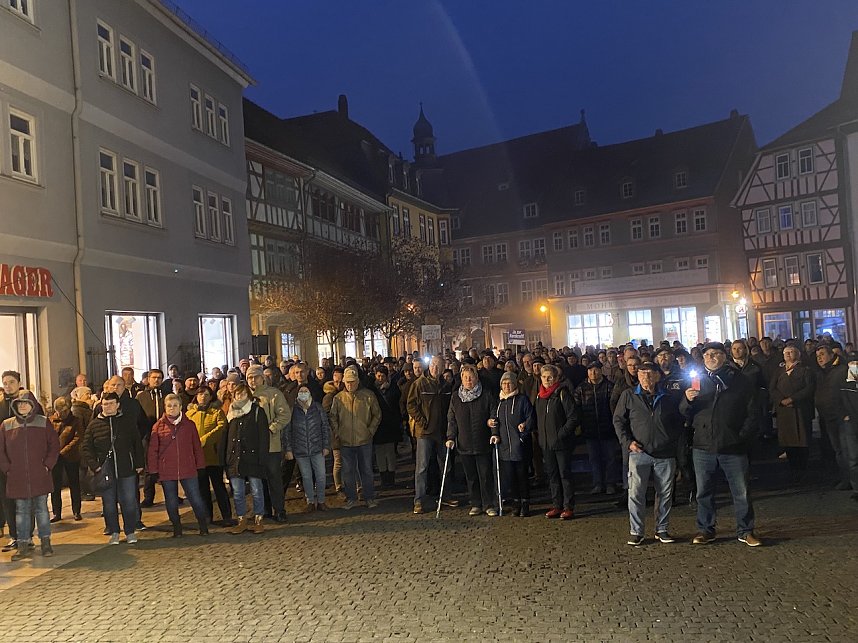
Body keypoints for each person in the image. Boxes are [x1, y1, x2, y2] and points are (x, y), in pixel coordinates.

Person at [680, 342, 762, 547]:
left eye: (716, 353)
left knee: (741, 491)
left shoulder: (740, 380)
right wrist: (687, 400)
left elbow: (753, 411)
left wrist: (741, 436)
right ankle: (706, 529)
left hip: (733, 445)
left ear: (724, 357)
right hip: (703, 445)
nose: (711, 357)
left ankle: (745, 530)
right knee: (704, 491)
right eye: (707, 354)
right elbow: (684, 412)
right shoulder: (697, 380)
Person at [613, 363, 684, 546]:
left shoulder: (668, 396)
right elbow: (618, 420)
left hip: (665, 452)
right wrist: (627, 442)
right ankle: (637, 531)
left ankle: (662, 529)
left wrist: (672, 441)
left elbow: (679, 420)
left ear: (658, 376)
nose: (646, 378)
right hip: (638, 452)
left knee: (665, 494)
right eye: (642, 374)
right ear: (637, 375)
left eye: (650, 374)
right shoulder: (629, 395)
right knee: (636, 494)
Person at [81, 392, 145, 545]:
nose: (107, 407)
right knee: (109, 504)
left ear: (117, 405)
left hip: (126, 468)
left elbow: (137, 443)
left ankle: (130, 531)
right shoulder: (94, 424)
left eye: (110, 404)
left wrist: (139, 463)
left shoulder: (127, 421)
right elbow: (86, 447)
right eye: (105, 404)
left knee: (129, 501)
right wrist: (95, 466)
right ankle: (114, 532)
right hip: (105, 471)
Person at [0, 397, 59, 560]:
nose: (23, 406)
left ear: (32, 405)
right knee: (21, 512)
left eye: (26, 403)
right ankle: (23, 545)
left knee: (42, 511)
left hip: (39, 475)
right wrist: (7, 468)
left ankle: (46, 543)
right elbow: (1, 450)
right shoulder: (7, 425)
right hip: (17, 477)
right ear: (15, 406)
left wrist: (47, 465)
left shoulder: (43, 422)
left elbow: (54, 445)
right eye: (20, 404)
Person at [147, 394, 208, 537]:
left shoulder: (189, 425)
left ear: (180, 407)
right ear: (165, 407)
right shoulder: (158, 427)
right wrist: (153, 470)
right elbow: (152, 450)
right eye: (169, 406)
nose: (172, 408)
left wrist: (200, 465)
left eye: (175, 405)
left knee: (195, 498)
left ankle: (203, 525)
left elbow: (196, 447)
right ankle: (177, 528)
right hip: (167, 469)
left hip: (188, 467)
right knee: (171, 500)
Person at [0, 370, 45, 553]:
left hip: (26, 460)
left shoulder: (30, 403)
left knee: (28, 500)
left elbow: (41, 429)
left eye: (11, 382)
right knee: (7, 499)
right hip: (6, 461)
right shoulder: (1, 405)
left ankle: (28, 536)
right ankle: (14, 536)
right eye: (5, 382)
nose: (8, 385)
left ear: (19, 383)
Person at [447, 364, 498, 516]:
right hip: (464, 442)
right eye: (465, 378)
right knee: (471, 477)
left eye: (471, 377)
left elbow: (493, 414)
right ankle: (476, 503)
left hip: (483, 441)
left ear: (476, 378)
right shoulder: (456, 397)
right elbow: (452, 419)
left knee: (486, 475)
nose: (468, 380)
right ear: (461, 379)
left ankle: (489, 504)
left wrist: (494, 432)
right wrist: (450, 437)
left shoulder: (486, 394)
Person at [407, 355, 455, 514]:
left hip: (442, 432)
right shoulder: (420, 383)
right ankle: (419, 500)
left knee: (445, 466)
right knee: (422, 468)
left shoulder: (446, 386)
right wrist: (422, 421)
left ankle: (445, 495)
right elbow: (411, 405)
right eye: (433, 365)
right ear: (430, 365)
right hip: (425, 432)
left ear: (443, 368)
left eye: (439, 366)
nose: (435, 368)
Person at [329, 366, 381, 510]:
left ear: (357, 381)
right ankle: (351, 498)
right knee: (348, 471)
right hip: (346, 441)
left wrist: (370, 431)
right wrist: (338, 432)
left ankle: (369, 497)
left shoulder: (368, 396)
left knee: (366, 470)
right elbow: (333, 417)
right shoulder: (338, 398)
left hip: (364, 439)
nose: (350, 384)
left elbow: (377, 415)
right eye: (347, 382)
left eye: (352, 381)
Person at [245, 365, 291, 522]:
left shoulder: (273, 394)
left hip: (271, 445)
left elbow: (284, 415)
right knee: (258, 480)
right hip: (252, 447)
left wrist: (272, 429)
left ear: (262, 377)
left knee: (274, 479)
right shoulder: (244, 396)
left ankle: (279, 509)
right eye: (249, 377)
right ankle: (264, 509)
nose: (252, 380)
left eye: (255, 377)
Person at [220, 384, 267, 534]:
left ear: (249, 395)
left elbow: (263, 436)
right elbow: (225, 438)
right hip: (235, 458)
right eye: (237, 394)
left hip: (253, 458)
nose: (240, 397)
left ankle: (259, 519)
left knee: (256, 490)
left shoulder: (257, 411)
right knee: (238, 492)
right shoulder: (230, 413)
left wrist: (262, 458)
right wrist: (224, 459)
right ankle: (242, 520)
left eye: (243, 394)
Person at [535, 364, 579, 520]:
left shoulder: (562, 393)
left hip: (561, 443)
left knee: (565, 475)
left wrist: (561, 434)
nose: (547, 380)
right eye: (544, 377)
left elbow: (573, 417)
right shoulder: (540, 396)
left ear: (556, 378)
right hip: (546, 444)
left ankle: (568, 506)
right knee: (552, 475)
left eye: (550, 377)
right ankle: (557, 505)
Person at [186, 388, 233, 526]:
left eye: (206, 395)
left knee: (219, 487)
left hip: (213, 456)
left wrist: (205, 439)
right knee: (202, 488)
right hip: (197, 458)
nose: (203, 397)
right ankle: (207, 516)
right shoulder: (190, 414)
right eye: (200, 394)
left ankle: (226, 515)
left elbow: (221, 428)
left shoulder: (217, 412)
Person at [490, 371, 535, 516]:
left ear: (515, 384)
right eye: (504, 383)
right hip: (504, 446)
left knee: (522, 476)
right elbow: (494, 420)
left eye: (509, 383)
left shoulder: (522, 400)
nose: (507, 386)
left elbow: (530, 417)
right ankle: (516, 503)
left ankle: (525, 503)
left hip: (519, 446)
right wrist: (494, 431)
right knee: (511, 477)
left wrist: (524, 431)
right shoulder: (499, 402)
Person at [769, 345, 816, 483]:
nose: (788, 354)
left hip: (800, 409)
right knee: (788, 440)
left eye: (791, 352)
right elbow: (772, 388)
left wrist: (793, 399)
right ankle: (792, 467)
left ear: (798, 354)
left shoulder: (806, 370)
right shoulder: (779, 371)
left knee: (802, 439)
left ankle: (802, 469)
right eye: (786, 352)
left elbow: (809, 388)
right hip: (784, 411)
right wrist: (781, 400)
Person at [575, 362, 619, 495]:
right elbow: (577, 408)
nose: (593, 373)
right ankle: (598, 483)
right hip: (590, 429)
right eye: (590, 370)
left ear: (600, 371)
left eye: (595, 370)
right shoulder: (581, 389)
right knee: (594, 459)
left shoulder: (609, 387)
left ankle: (611, 483)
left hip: (608, 429)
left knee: (610, 458)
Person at [285, 385, 331, 511]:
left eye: (306, 391)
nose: (303, 393)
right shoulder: (293, 410)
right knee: (306, 477)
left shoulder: (317, 407)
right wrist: (288, 449)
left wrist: (326, 445)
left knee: (321, 475)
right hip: (300, 450)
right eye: (301, 391)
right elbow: (287, 431)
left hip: (317, 448)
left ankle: (321, 501)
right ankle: (310, 501)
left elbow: (325, 427)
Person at [815, 345, 851, 488]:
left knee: (846, 450)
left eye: (822, 354)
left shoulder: (841, 370)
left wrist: (847, 412)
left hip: (842, 417)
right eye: (817, 356)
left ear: (831, 355)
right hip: (827, 416)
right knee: (838, 449)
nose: (820, 358)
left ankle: (850, 480)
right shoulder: (821, 372)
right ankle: (845, 477)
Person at [49, 397, 84, 522]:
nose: (60, 414)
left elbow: (78, 437)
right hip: (55, 457)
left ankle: (76, 511)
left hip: (71, 456)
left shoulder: (75, 421)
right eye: (58, 411)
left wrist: (63, 451)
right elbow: (48, 437)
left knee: (74, 483)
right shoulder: (51, 420)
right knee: (55, 485)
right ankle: (56, 512)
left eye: (63, 411)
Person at [371, 366, 401, 489]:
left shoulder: (393, 388)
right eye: (378, 376)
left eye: (382, 376)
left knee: (390, 452)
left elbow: (397, 404)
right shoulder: (372, 390)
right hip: (378, 425)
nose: (380, 378)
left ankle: (391, 478)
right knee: (380, 453)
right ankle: (384, 478)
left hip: (390, 424)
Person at [837, 352, 858, 500]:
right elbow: (837, 401)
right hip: (850, 424)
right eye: (853, 365)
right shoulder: (844, 384)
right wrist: (845, 415)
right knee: (853, 457)